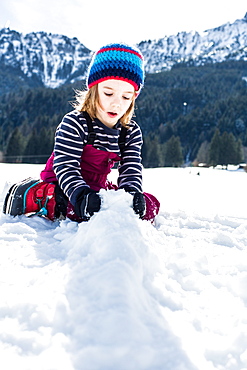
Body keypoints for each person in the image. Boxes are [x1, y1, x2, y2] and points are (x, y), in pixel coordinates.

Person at [4, 43, 160, 222]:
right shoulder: (76, 123)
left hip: (96, 186)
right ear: (94, 90)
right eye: (108, 93)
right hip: (64, 182)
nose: (117, 103)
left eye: (126, 96)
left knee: (149, 206)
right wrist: (79, 194)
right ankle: (38, 195)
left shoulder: (130, 132)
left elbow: (131, 169)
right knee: (75, 211)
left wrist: (131, 194)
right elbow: (65, 166)